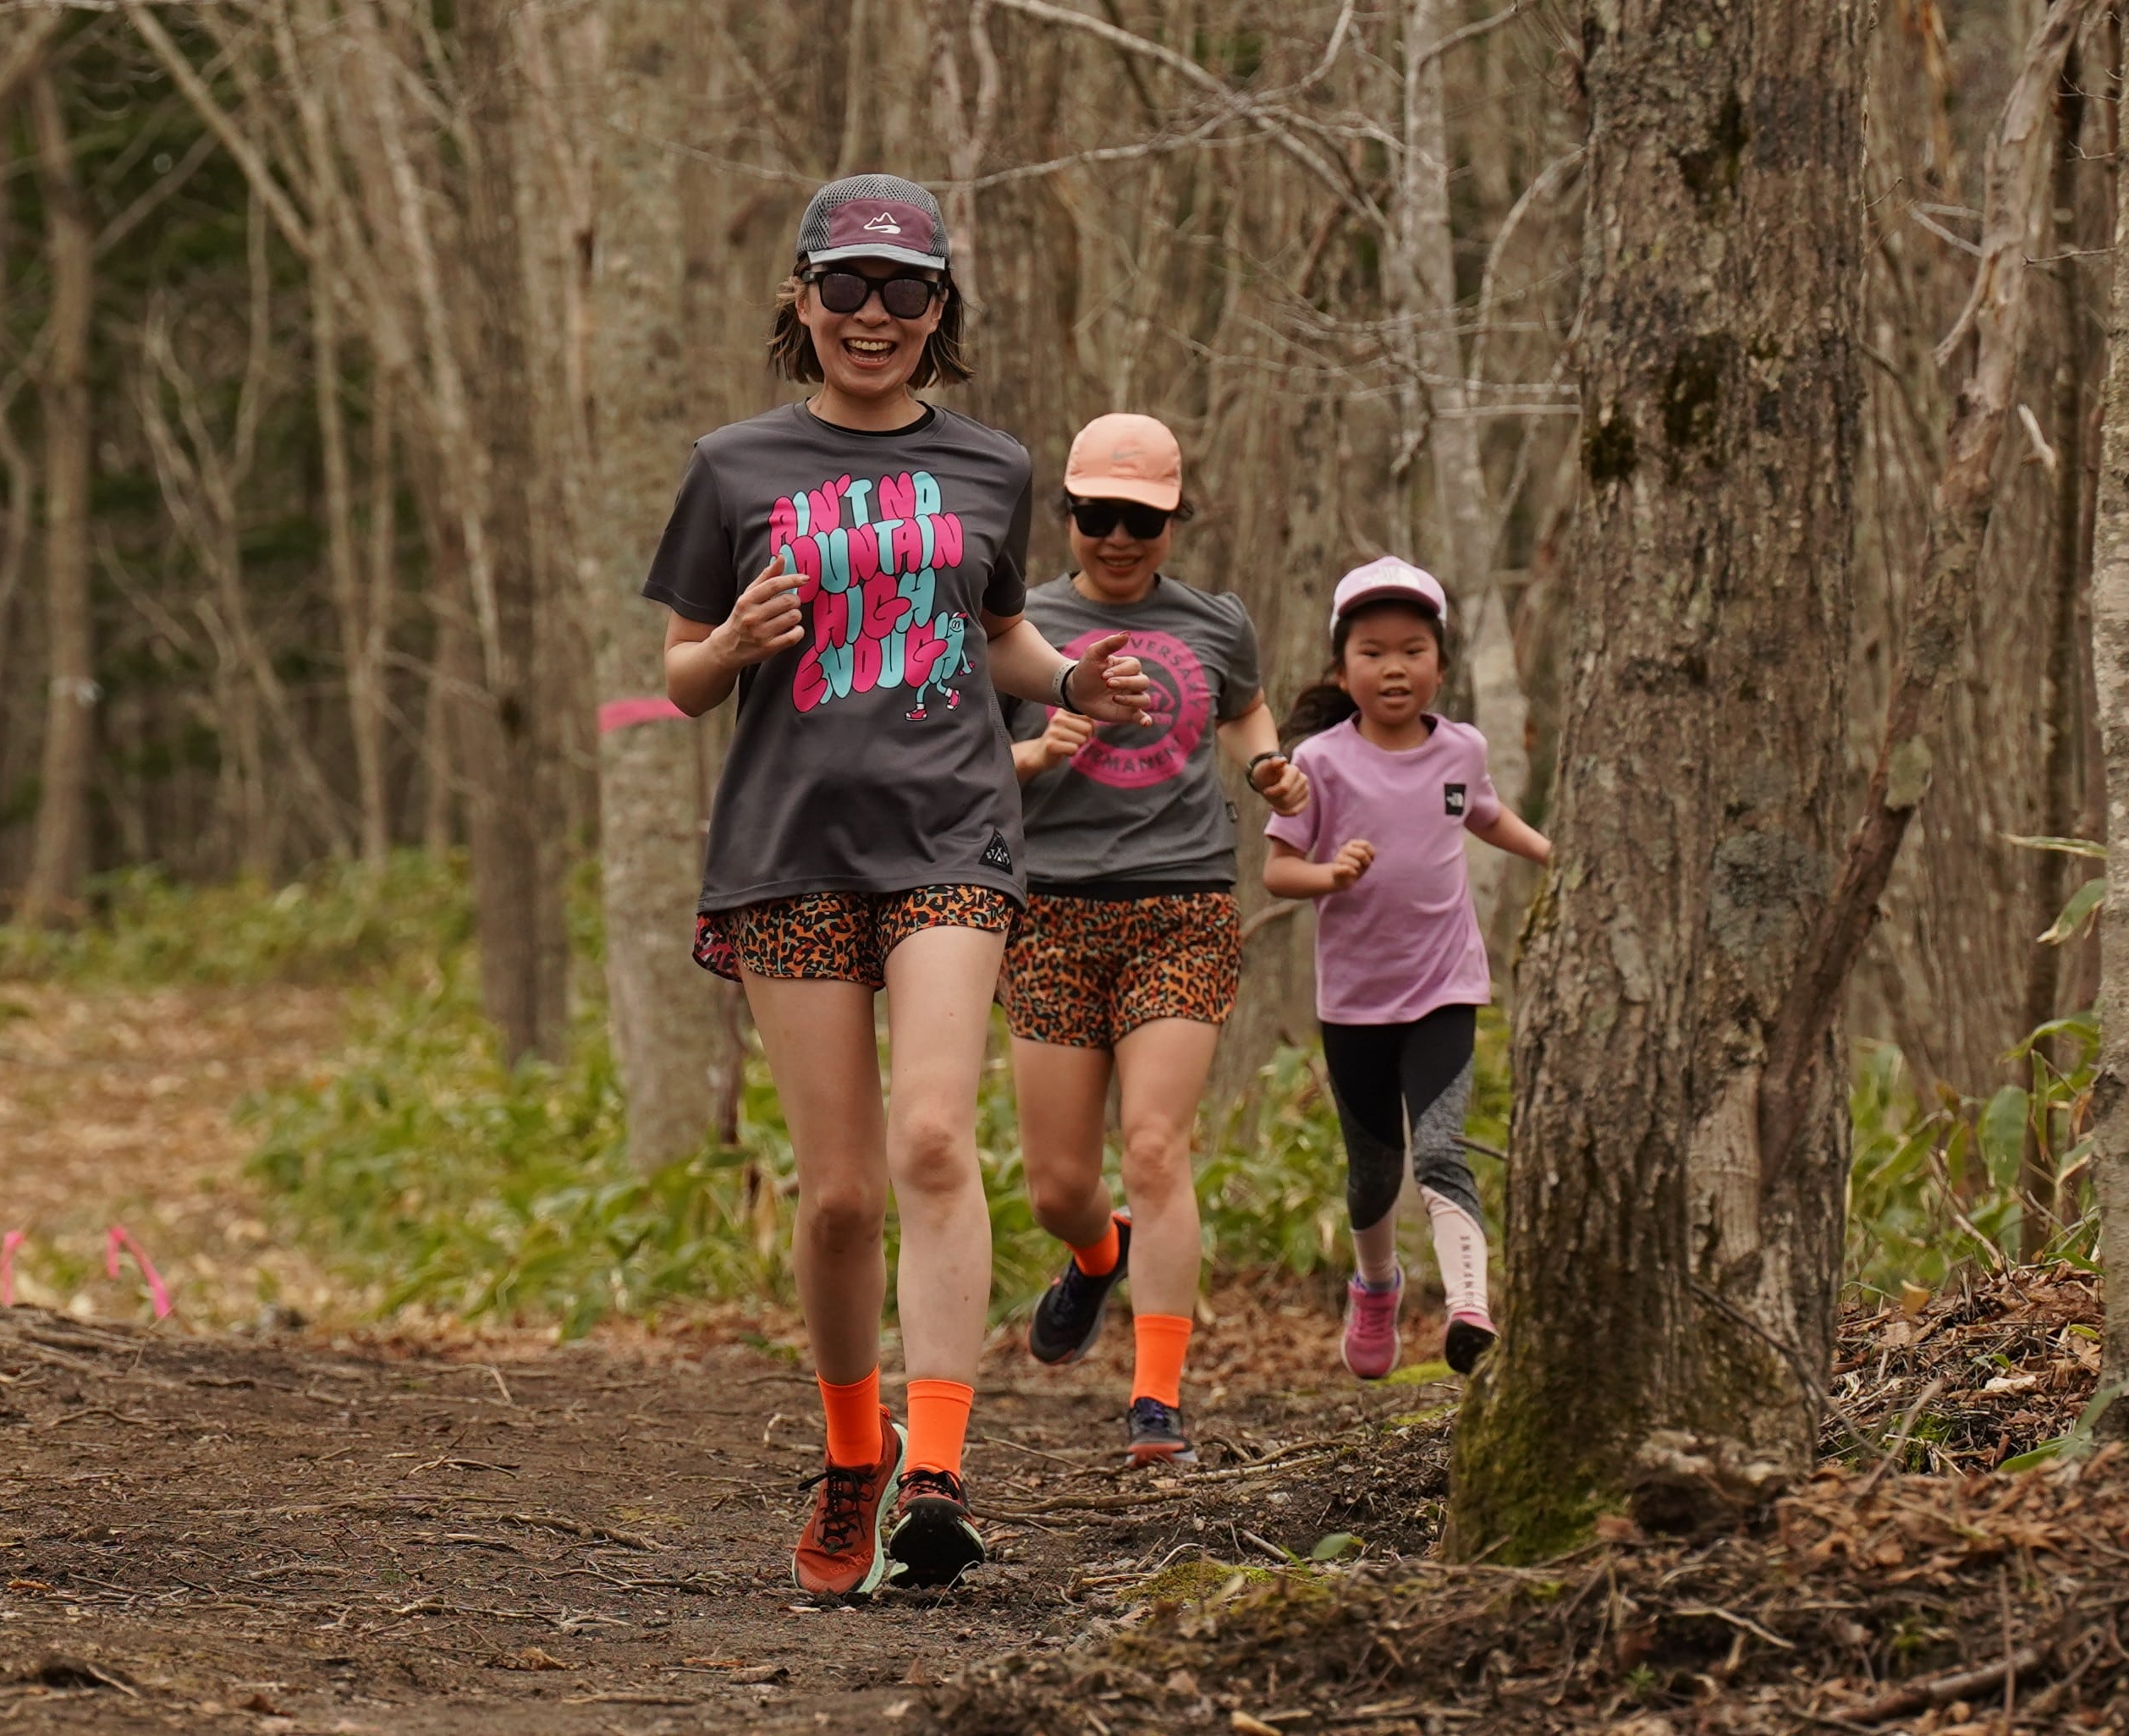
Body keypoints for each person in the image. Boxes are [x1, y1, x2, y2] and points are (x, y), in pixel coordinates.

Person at [643, 174, 1152, 1597]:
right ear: (800, 302)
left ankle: (936, 1471)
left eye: (903, 292)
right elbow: (678, 681)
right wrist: (733, 636)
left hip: (950, 830)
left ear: (940, 314)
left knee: (933, 1136)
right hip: (786, 847)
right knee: (840, 1197)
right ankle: (850, 1453)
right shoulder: (733, 466)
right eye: (845, 289)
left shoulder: (989, 466)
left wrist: (1078, 681)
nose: (873, 317)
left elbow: (1002, 645)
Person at [1000, 413, 1308, 1468]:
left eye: (1143, 520)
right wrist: (1041, 753)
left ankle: (1157, 1403)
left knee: (1155, 1147)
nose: (1119, 538)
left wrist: (1268, 767)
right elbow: (963, 769)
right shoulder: (1019, 624)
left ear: (1175, 521)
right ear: (1071, 516)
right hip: (1049, 913)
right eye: (1099, 517)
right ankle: (1098, 1254)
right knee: (1055, 1185)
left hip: (1182, 905)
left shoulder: (1215, 622)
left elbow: (1249, 710)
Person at [1260, 558, 1551, 1381]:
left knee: (1441, 1151)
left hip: (1444, 986)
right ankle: (1377, 1286)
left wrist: (1553, 854)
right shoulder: (1319, 762)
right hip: (1354, 1002)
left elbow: (1487, 814)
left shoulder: (1462, 749)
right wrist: (1331, 876)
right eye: (1374, 651)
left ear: (1440, 665)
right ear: (1343, 668)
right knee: (1373, 1175)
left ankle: (1470, 1309)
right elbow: (1281, 871)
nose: (1394, 668)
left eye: (1413, 650)